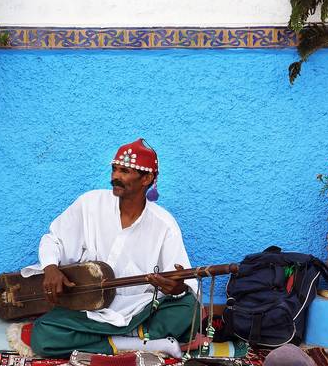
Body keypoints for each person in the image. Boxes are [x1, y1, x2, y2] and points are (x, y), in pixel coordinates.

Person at [21, 138, 198, 358]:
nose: (115, 176)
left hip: (139, 309)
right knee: (43, 335)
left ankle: (121, 340)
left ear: (147, 178)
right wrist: (50, 268)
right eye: (114, 169)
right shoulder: (90, 204)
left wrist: (177, 288)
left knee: (188, 309)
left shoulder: (164, 224)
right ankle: (143, 342)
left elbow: (185, 284)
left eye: (125, 171)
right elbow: (54, 239)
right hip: (89, 310)